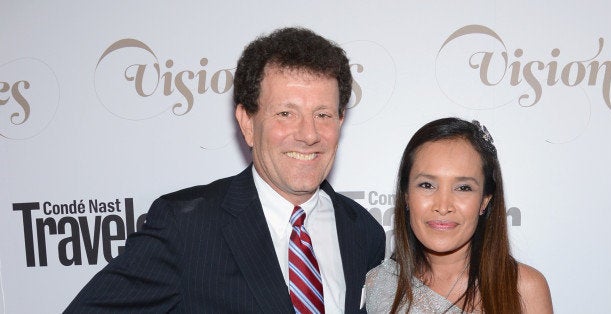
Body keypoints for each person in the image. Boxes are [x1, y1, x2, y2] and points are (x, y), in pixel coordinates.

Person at [65, 27, 385, 313]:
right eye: (286, 113)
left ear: (340, 121)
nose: (309, 134)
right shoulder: (186, 228)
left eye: (323, 115)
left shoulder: (363, 232)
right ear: (247, 122)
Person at [364, 118, 552, 313]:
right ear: (406, 196)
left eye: (463, 188)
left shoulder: (523, 288)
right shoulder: (378, 285)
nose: (443, 206)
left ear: (484, 201)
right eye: (427, 185)